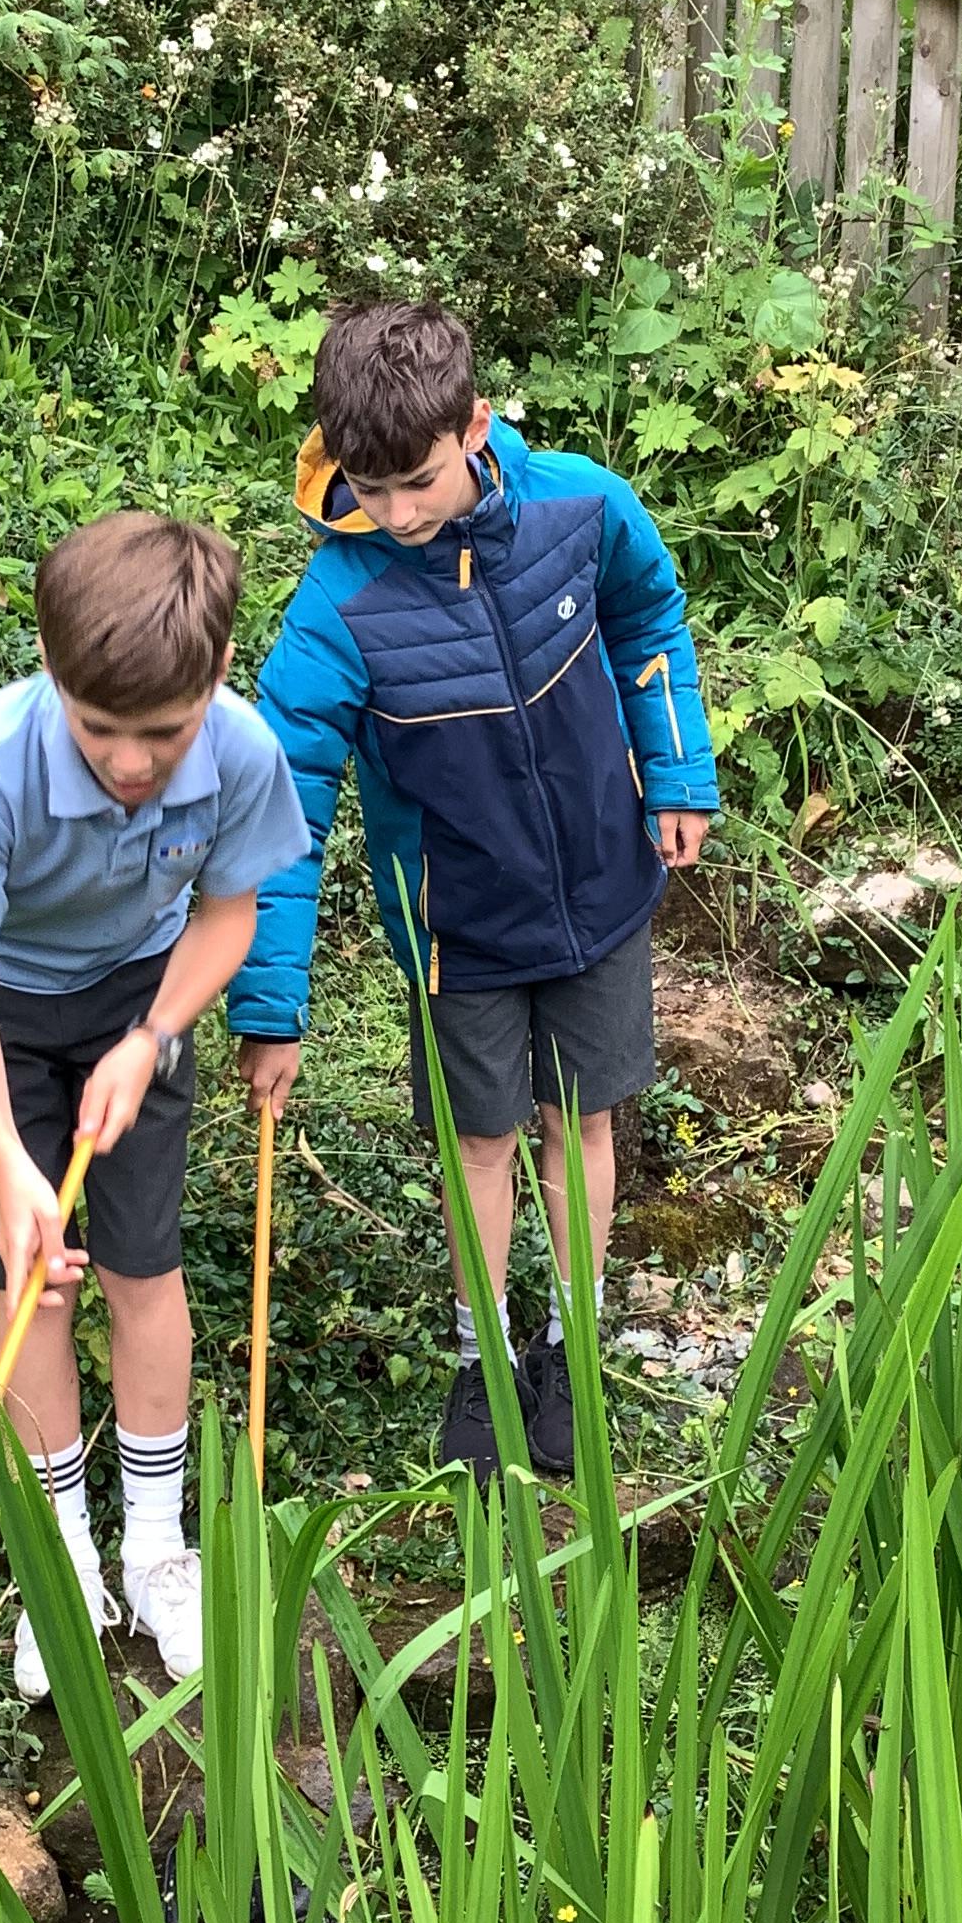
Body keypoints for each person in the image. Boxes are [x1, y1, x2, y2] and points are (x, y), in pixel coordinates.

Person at [229, 300, 718, 1483]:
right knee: (481, 1141)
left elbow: (648, 618)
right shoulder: (337, 607)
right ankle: (483, 1356)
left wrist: (675, 769)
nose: (395, 514)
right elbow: (284, 805)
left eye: (416, 483)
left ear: (475, 427)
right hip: (459, 932)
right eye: (369, 489)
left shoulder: (583, 505)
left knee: (581, 1121)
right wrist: (270, 1002)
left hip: (601, 884)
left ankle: (573, 1345)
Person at [0, 512, 309, 1694]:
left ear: (217, 674)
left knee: (143, 1267)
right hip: (5, 1015)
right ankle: (62, 1559)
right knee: (35, 1272)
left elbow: (229, 918)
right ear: (49, 664)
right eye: (100, 731)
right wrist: (14, 1171)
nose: (132, 765)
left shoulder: (242, 752)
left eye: (164, 735)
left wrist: (153, 1037)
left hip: (141, 992)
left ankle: (155, 1549)